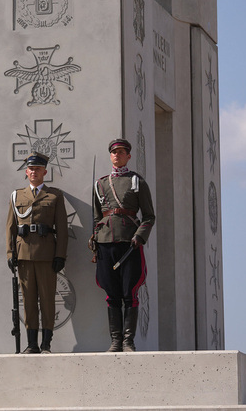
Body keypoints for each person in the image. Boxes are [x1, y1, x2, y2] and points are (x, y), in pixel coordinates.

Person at [91, 139, 155, 352]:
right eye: (113, 152)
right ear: (110, 156)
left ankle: (128, 341)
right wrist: (95, 238)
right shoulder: (100, 184)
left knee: (130, 292)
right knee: (112, 293)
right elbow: (96, 217)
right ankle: (115, 341)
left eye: (121, 152)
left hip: (130, 243)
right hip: (105, 243)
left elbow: (149, 216)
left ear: (128, 156)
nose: (117, 155)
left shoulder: (137, 182)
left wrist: (140, 236)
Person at [5, 152, 69, 353]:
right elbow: (10, 227)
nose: (34, 172)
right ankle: (31, 344)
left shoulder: (55, 195)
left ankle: (46, 344)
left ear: (44, 172)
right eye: (31, 169)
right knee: (28, 300)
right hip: (23, 255)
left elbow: (62, 228)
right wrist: (10, 253)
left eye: (38, 169)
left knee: (47, 300)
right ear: (26, 172)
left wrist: (60, 255)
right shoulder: (16, 196)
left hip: (46, 255)